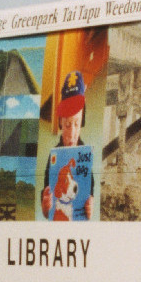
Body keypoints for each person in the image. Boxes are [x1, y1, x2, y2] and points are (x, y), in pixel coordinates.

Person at [41, 69, 95, 218]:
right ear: (60, 123)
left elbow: (90, 203)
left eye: (77, 124)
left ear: (82, 122)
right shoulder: (53, 158)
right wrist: (45, 206)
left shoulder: (87, 157)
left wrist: (90, 208)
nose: (71, 134)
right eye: (67, 125)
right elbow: (46, 213)